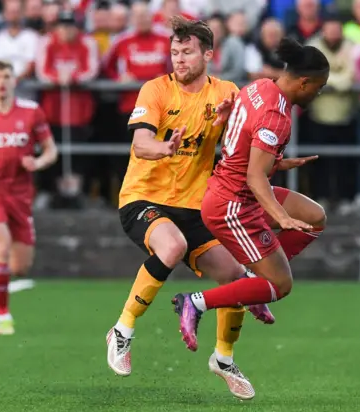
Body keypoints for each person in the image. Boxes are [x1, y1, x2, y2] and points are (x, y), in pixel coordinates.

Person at [107, 16, 275, 400]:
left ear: (208, 55)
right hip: (143, 198)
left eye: (186, 53)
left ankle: (224, 358)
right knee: (171, 247)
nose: (178, 60)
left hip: (195, 205)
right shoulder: (155, 90)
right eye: (174, 52)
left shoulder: (227, 92)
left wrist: (232, 125)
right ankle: (122, 331)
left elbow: (243, 149)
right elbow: (141, 145)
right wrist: (164, 147)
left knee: (238, 279)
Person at [172, 38, 329, 361]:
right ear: (304, 82)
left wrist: (278, 162)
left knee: (315, 217)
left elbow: (244, 144)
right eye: (319, 87)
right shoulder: (277, 116)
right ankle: (195, 302)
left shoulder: (260, 86)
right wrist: (280, 218)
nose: (318, 93)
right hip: (234, 204)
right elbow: (254, 177)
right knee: (281, 286)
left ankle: (256, 283)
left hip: (237, 191)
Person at [0, 61, 58, 335]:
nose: (2, 81)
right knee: (3, 244)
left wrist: (38, 163)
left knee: (20, 267)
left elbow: (51, 151)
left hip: (21, 194)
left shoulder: (31, 112)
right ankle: (3, 316)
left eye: (6, 76)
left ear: (14, 81)